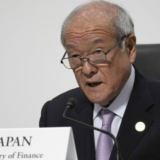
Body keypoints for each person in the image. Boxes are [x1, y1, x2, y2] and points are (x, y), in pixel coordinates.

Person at [39, 1, 160, 160]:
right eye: (75, 56)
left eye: (97, 52)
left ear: (129, 48)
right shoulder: (57, 113)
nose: (87, 69)